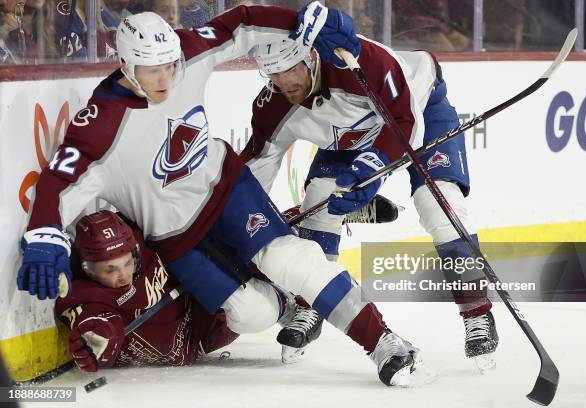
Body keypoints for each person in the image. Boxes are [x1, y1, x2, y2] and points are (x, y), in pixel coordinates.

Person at [17, 3, 424, 386]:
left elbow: (242, 21)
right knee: (253, 314)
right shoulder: (100, 126)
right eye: (151, 70)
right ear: (124, 64)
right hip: (177, 240)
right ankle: (287, 291)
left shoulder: (188, 53)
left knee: (292, 259)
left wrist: (307, 23)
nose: (166, 79)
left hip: (227, 189)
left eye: (170, 66)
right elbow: (59, 180)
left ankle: (384, 342)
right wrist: (43, 235)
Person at [240, 35, 498, 371]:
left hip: (417, 111)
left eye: (290, 70)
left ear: (312, 58)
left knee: (439, 206)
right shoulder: (274, 106)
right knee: (319, 200)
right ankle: (310, 303)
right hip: (353, 134)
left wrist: (375, 170)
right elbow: (254, 176)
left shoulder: (357, 65)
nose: (284, 83)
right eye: (273, 75)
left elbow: (409, 124)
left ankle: (477, 311)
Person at [56, 210, 320, 370]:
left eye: (129, 262)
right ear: (88, 268)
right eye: (110, 269)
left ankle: (292, 305)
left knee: (248, 284)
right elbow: (95, 325)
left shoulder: (144, 236)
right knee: (252, 311)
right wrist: (96, 343)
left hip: (205, 305)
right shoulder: (84, 294)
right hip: (203, 339)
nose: (124, 275)